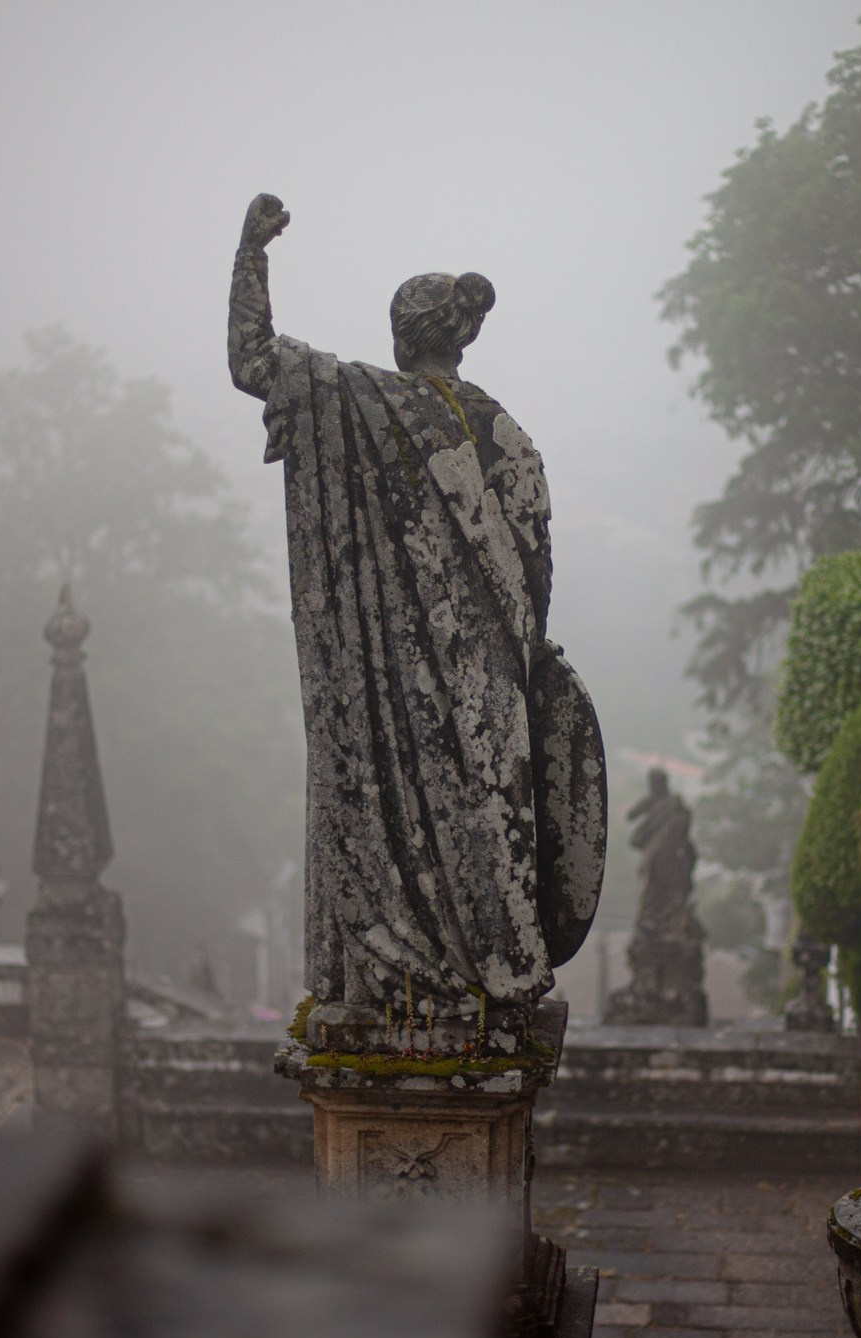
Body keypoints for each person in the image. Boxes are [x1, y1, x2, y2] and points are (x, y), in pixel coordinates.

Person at [227, 192, 604, 1031]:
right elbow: (533, 565)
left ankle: (389, 966)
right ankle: (492, 970)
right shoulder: (504, 433)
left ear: (403, 336)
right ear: (461, 335)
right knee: (486, 823)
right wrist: (512, 648)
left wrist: (252, 251)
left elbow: (250, 358)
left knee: (385, 810)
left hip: (380, 694)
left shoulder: (349, 402)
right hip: (482, 692)